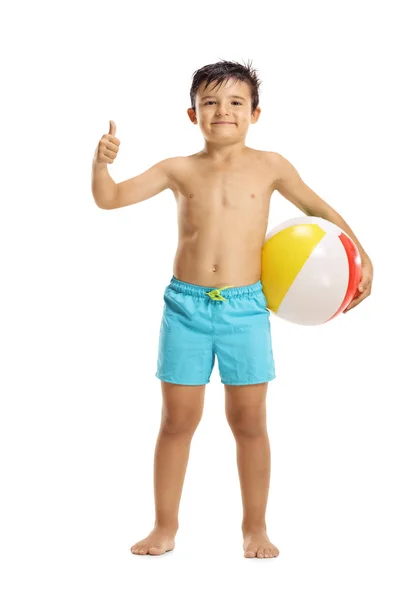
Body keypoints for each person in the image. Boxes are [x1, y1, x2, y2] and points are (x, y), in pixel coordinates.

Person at [91, 59, 374, 559]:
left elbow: (319, 210)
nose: (223, 110)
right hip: (186, 306)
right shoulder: (177, 169)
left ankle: (255, 528)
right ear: (192, 113)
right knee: (177, 421)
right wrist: (101, 164)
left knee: (249, 423)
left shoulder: (272, 166)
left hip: (247, 309)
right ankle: (164, 526)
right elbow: (110, 199)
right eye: (210, 102)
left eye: (236, 102)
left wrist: (361, 253)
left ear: (256, 113)